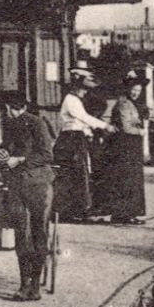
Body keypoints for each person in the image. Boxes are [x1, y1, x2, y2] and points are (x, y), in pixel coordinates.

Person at [0, 91, 57, 301]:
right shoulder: (10, 124)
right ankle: (24, 285)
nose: (6, 112)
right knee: (22, 233)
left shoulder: (38, 124)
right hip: (16, 185)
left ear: (16, 107)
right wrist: (2, 154)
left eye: (7, 108)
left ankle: (35, 286)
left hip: (38, 184)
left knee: (39, 232)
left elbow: (47, 155)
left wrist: (20, 160)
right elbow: (5, 147)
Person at [55, 68, 111, 221]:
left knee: (80, 174)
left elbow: (81, 122)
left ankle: (78, 209)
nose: (85, 93)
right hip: (71, 139)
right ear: (77, 87)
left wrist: (89, 132)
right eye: (83, 90)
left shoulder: (75, 100)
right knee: (74, 174)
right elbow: (83, 117)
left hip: (76, 138)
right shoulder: (71, 100)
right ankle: (72, 211)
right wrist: (105, 126)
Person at [94, 71, 149, 224]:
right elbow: (126, 127)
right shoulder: (123, 103)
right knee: (125, 179)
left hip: (130, 146)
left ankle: (127, 213)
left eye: (138, 90)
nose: (136, 93)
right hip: (124, 146)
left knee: (130, 179)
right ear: (127, 89)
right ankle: (123, 214)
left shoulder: (133, 104)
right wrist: (141, 130)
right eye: (133, 90)